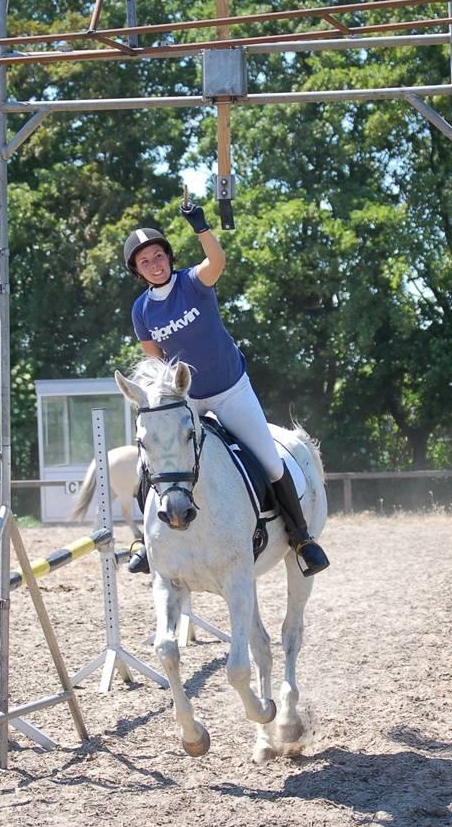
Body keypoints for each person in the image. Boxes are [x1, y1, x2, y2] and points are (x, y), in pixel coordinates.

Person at [122, 201, 329, 578]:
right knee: (150, 464)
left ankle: (302, 538)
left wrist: (201, 227)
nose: (154, 264)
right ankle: (150, 545)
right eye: (145, 262)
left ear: (168, 256)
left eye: (158, 256)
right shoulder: (141, 310)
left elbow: (217, 262)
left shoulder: (192, 282)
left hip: (230, 390)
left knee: (269, 461)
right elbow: (155, 366)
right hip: (188, 401)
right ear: (137, 271)